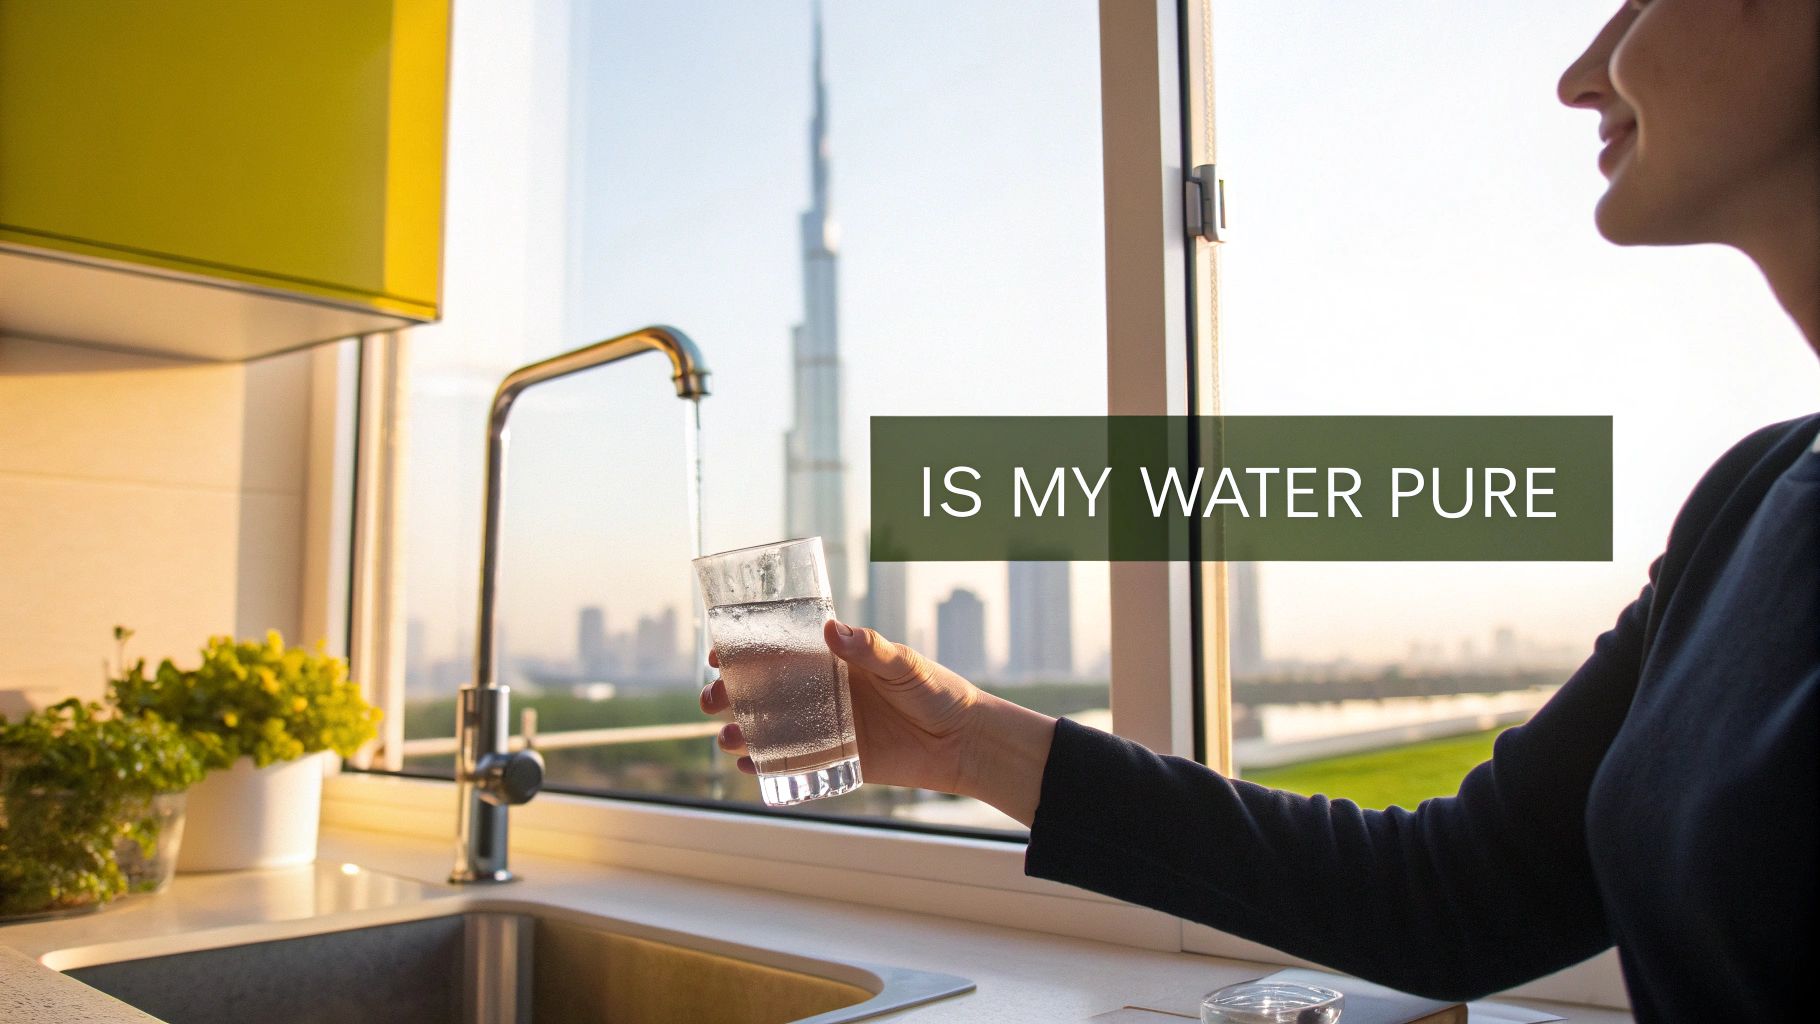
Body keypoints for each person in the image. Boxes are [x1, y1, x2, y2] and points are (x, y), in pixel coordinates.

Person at [701, 2, 1818, 1019]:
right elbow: (1453, 894)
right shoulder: (1745, 501)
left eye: (1641, 0)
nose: (1583, 71)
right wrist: (966, 745)